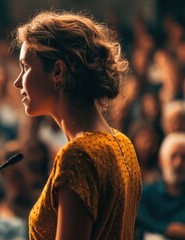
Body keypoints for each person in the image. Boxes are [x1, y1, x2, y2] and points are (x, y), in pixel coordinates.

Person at [12, 11, 142, 239]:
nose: (17, 82)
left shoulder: (79, 155)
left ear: (58, 72)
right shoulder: (123, 144)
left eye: (25, 67)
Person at [136, 133, 185, 239]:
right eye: (173, 156)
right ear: (161, 160)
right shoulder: (146, 193)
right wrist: (167, 229)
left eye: (184, 157)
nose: (179, 163)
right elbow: (141, 220)